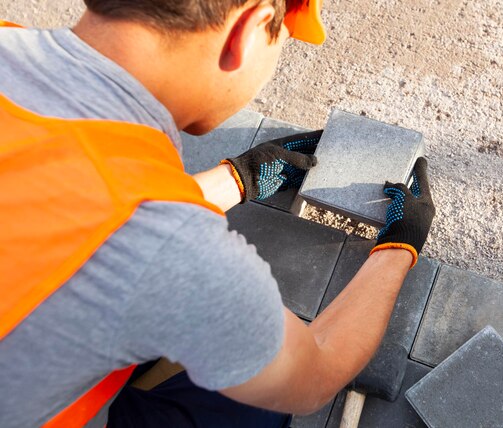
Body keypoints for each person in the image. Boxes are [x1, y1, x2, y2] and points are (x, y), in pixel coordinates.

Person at [0, 0, 435, 426]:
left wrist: (239, 177)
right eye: (283, 41)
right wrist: (398, 247)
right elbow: (315, 372)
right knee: (247, 407)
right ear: (250, 27)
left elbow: (74, 205)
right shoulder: (177, 253)